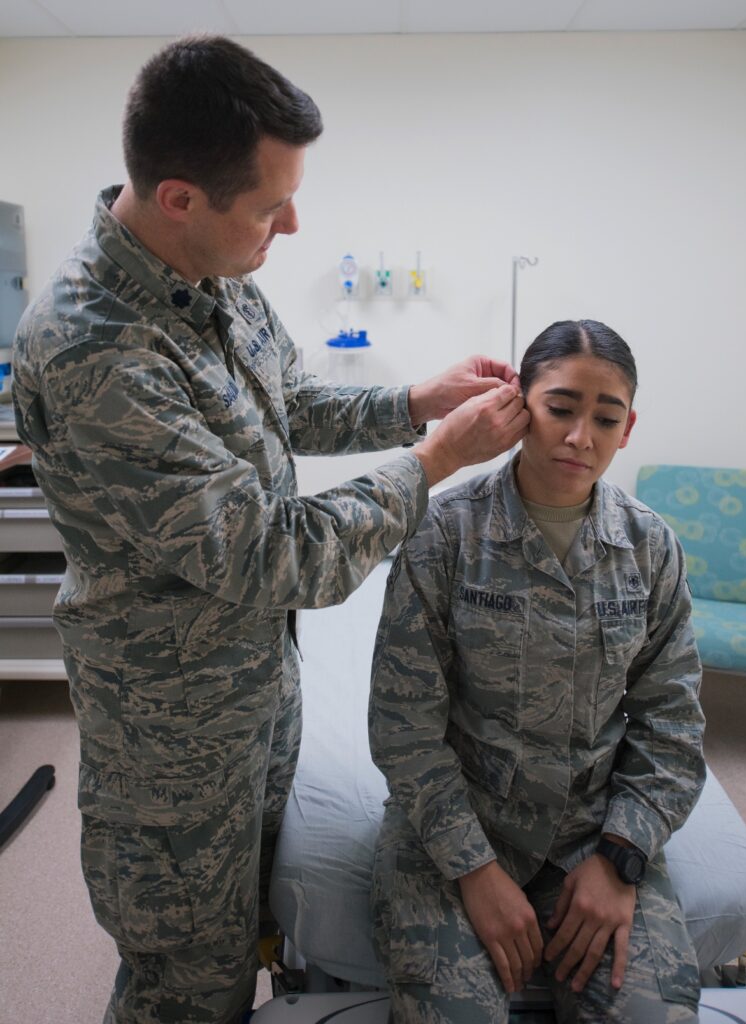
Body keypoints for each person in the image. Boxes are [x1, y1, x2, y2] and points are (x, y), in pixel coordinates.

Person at [11, 35, 530, 1024]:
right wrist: (434, 461)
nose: (291, 224)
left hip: (257, 682)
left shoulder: (210, 268)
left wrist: (416, 399)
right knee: (185, 983)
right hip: (169, 733)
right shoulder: (97, 351)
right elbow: (274, 553)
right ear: (179, 197)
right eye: (268, 205)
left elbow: (286, 401)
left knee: (248, 929)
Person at [369, 319, 706, 1023]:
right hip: (458, 830)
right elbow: (403, 729)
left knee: (647, 1014)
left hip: (594, 830)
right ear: (520, 405)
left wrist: (620, 858)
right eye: (559, 408)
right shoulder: (442, 535)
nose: (580, 436)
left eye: (604, 418)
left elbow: (670, 727)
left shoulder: (649, 549)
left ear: (627, 427)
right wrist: (474, 870)